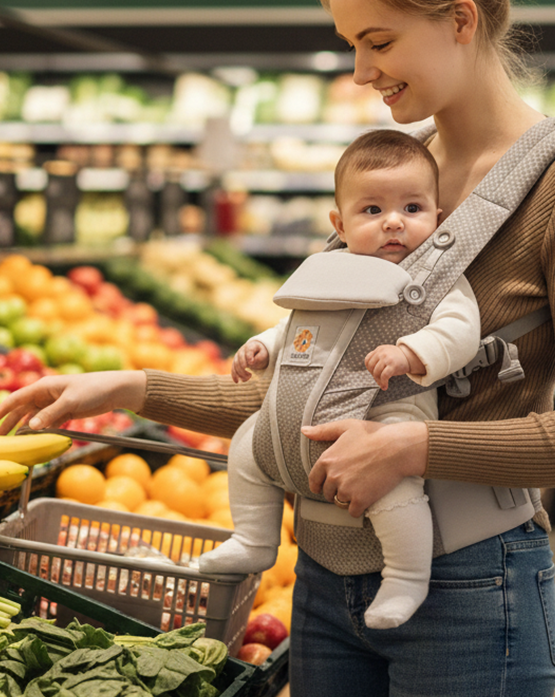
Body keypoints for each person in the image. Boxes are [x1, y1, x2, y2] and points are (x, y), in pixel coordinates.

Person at [0, 0, 555, 697]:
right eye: (350, 47)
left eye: (378, 42)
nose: (361, 71)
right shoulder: (393, 180)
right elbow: (312, 397)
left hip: (471, 595)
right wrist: (133, 389)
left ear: (459, 18)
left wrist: (413, 448)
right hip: (328, 595)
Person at [197, 129, 482, 630]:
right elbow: (299, 324)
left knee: (397, 492)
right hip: (298, 423)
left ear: (437, 219)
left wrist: (412, 352)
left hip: (387, 416)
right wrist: (266, 345)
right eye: (372, 211)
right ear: (340, 224)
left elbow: (461, 332)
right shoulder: (328, 273)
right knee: (246, 446)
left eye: (412, 208)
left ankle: (406, 576)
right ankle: (254, 540)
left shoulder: (436, 279)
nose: (394, 221)